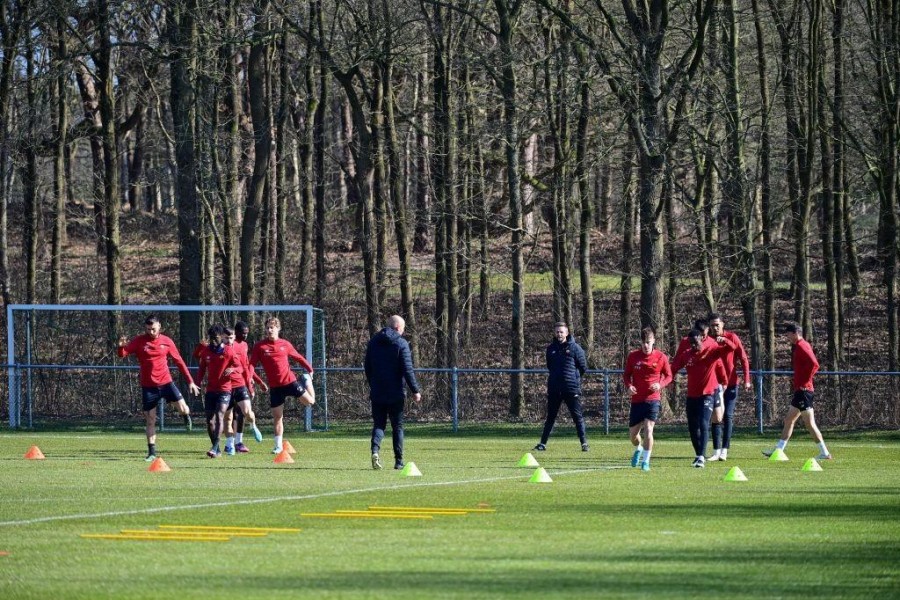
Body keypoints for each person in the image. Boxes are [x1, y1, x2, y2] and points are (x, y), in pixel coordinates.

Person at [118, 315, 200, 461]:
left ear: (159, 327)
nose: (151, 332)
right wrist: (120, 346)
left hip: (166, 383)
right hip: (148, 387)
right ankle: (151, 453)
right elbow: (122, 354)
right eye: (148, 329)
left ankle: (186, 417)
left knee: (184, 408)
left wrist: (191, 381)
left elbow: (179, 362)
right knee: (150, 419)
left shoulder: (167, 342)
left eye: (154, 329)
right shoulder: (139, 341)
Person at [763, 322, 832, 460]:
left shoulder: (802, 346)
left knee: (810, 423)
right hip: (800, 391)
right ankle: (779, 450)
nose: (787, 337)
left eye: (788, 335)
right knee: (789, 420)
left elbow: (814, 364)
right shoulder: (799, 346)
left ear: (795, 333)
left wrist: (805, 382)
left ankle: (824, 453)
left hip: (804, 391)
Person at [670, 329, 736, 468]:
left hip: (707, 394)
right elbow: (674, 367)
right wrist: (669, 381)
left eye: (696, 342)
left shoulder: (711, 351)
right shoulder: (686, 355)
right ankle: (698, 455)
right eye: (691, 343)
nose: (693, 345)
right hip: (692, 396)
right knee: (693, 427)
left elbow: (732, 348)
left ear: (702, 339)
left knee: (703, 423)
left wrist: (725, 340)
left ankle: (701, 456)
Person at [249, 317, 315, 454]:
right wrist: (250, 377)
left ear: (278, 329)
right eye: (267, 327)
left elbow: (298, 357)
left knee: (310, 402)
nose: (269, 330)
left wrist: (309, 369)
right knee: (277, 417)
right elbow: (251, 364)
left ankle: (307, 381)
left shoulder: (285, 344)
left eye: (272, 327)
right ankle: (278, 446)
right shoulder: (260, 346)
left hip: (290, 382)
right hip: (275, 388)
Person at [364, 315, 422, 470]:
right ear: (398, 328)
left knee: (379, 424)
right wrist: (415, 390)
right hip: (396, 391)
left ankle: (375, 451)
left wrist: (373, 383)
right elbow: (407, 369)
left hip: (377, 391)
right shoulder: (401, 343)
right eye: (403, 329)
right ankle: (399, 461)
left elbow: (367, 367)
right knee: (398, 426)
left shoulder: (373, 342)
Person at [534, 322, 589, 453]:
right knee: (550, 417)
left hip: (571, 388)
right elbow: (550, 366)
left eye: (561, 332)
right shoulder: (550, 349)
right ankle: (542, 444)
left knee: (577, 417)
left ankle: (584, 443)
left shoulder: (575, 348)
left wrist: (573, 378)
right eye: (557, 332)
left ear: (567, 333)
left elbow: (583, 367)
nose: (559, 334)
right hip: (554, 388)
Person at [195, 324, 249, 458]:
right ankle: (217, 448)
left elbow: (241, 367)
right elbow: (202, 369)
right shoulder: (206, 352)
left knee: (220, 415)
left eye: (216, 337)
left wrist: (234, 370)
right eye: (211, 337)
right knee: (210, 421)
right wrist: (196, 383)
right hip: (211, 390)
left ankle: (214, 447)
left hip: (225, 390)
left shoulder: (229, 351)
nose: (213, 339)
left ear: (221, 337)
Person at [623, 327, 672, 471]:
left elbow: (669, 376)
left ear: (653, 341)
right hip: (637, 400)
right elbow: (626, 375)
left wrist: (660, 384)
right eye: (643, 342)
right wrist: (629, 386)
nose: (646, 345)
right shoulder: (633, 356)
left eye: (648, 342)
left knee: (649, 430)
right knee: (633, 436)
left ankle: (646, 462)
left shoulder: (661, 357)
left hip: (652, 400)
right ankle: (638, 448)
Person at [707, 313, 752, 461]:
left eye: (717, 325)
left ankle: (725, 450)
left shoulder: (732, 337)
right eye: (712, 325)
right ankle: (716, 451)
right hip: (714, 384)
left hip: (731, 384)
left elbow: (743, 358)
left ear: (723, 324)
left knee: (728, 416)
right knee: (715, 417)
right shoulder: (708, 340)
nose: (715, 327)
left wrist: (746, 379)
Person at [223, 322, 267, 454]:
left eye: (247, 332)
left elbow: (246, 366)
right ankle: (232, 444)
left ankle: (252, 427)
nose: (245, 335)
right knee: (230, 417)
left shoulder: (244, 345)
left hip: (240, 383)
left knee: (245, 412)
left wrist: (256, 383)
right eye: (243, 332)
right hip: (226, 387)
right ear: (235, 332)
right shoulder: (225, 346)